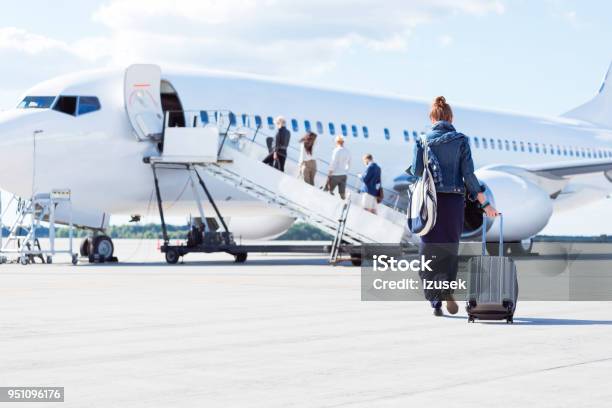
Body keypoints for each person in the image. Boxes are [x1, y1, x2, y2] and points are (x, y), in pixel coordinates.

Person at [410, 96, 499, 317]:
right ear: (450, 117)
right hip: (453, 202)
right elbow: (468, 175)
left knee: (428, 249)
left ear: (432, 118)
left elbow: (416, 171)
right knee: (449, 248)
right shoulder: (461, 140)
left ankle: (435, 301)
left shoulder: (422, 140)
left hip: (430, 201)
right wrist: (485, 203)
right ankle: (446, 289)